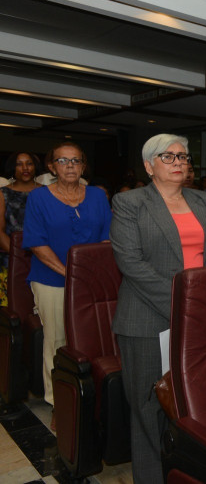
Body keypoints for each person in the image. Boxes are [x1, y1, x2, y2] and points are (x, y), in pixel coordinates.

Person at [110, 134, 206, 484]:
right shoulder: (129, 202)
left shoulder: (204, 201)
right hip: (148, 318)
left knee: (193, 405)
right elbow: (130, 262)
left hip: (199, 318)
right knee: (148, 411)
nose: (179, 162)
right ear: (149, 166)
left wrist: (204, 303)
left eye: (183, 156)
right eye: (168, 156)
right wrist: (183, 304)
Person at [22, 142, 112, 427]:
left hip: (92, 281)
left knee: (92, 341)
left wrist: (93, 274)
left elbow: (108, 238)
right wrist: (70, 274)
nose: (70, 165)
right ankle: (56, 400)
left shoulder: (98, 196)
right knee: (58, 340)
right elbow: (36, 243)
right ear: (51, 167)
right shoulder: (38, 198)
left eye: (76, 161)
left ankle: (88, 396)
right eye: (63, 161)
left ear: (83, 166)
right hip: (51, 279)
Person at [0, 152, 41, 307]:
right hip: (11, 259)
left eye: (29, 163)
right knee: (14, 309)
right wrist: (18, 256)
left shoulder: (48, 192)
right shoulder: (2, 193)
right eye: (19, 164)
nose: (25, 168)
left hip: (45, 259)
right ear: (12, 168)